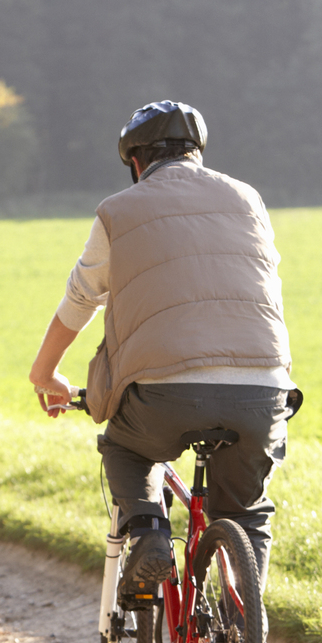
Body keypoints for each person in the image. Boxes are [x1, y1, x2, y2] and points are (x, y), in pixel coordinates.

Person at [28, 100, 296, 607]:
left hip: (162, 393)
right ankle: (243, 627)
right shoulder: (248, 198)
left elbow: (82, 297)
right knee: (245, 513)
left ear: (135, 162)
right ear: (196, 153)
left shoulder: (117, 210)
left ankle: (150, 533)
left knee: (125, 448)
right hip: (263, 389)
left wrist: (46, 373)